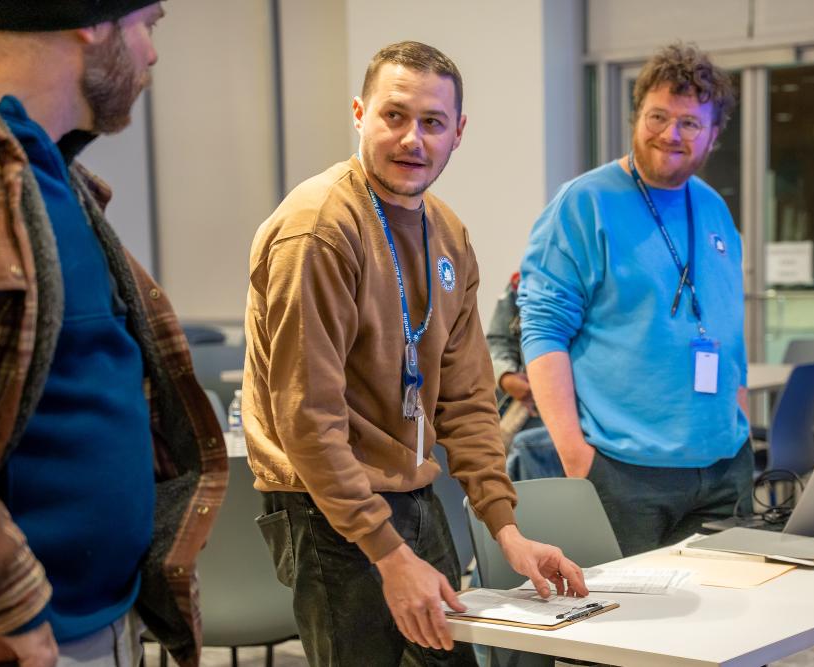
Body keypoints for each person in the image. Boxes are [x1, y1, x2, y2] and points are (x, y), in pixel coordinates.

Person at [243, 41, 587, 667]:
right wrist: (386, 552)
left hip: (415, 495)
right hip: (327, 508)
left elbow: (467, 398)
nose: (412, 139)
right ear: (359, 114)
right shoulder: (318, 228)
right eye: (394, 116)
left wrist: (504, 528)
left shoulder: (447, 231)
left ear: (458, 132)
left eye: (432, 122)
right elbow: (307, 419)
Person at [0, 3, 228, 667]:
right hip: (31, 635)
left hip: (103, 618)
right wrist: (15, 608)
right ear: (92, 20)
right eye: (147, 26)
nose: (152, 55)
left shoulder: (57, 179)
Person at [518, 42, 751, 557]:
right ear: (635, 117)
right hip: (623, 472)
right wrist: (576, 457)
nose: (670, 134)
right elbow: (542, 330)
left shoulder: (713, 210)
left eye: (690, 123)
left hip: (723, 465)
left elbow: (728, 322)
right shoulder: (584, 204)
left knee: (728, 630)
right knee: (627, 628)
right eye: (657, 116)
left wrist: (740, 414)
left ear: (713, 135)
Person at [486, 273, 563, 480]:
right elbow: (497, 341)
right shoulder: (522, 282)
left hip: (591, 416)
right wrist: (506, 377)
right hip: (531, 410)